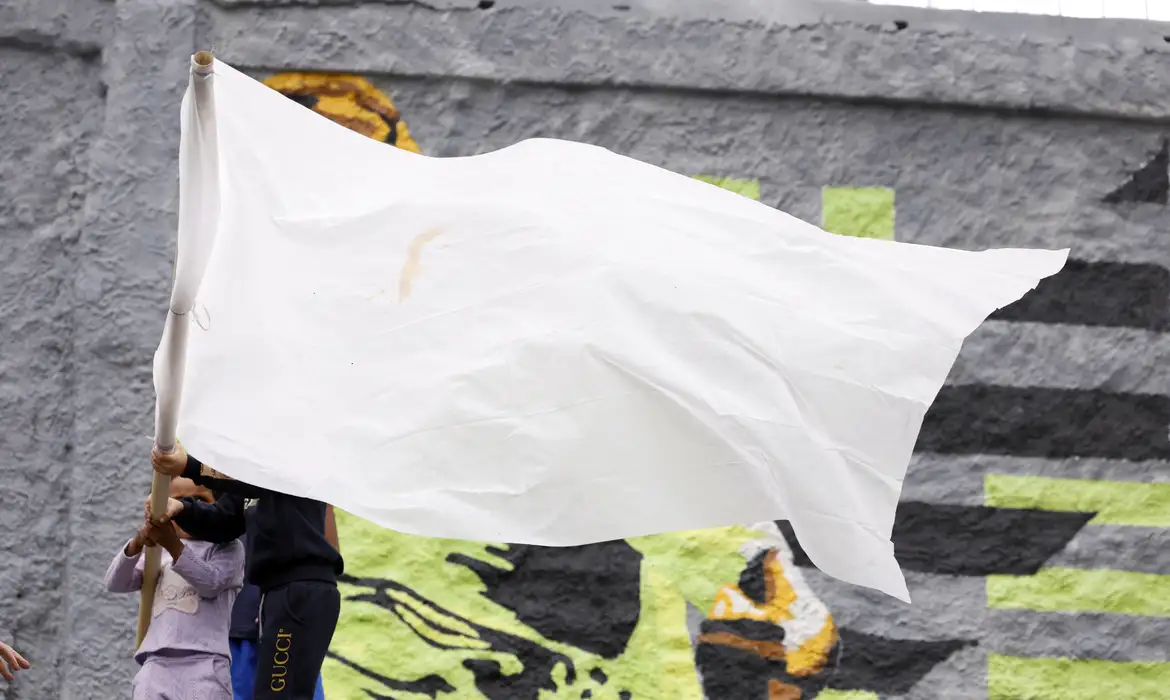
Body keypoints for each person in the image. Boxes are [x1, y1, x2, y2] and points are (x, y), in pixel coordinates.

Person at [149, 444, 343, 700]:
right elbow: (225, 522)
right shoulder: (253, 478)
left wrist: (190, 466)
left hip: (300, 590)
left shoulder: (286, 456)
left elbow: (252, 479)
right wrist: (182, 510)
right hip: (278, 593)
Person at [106, 476, 245, 699]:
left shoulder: (228, 548)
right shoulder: (155, 552)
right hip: (155, 661)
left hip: (205, 662)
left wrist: (173, 544)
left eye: (200, 499)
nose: (189, 508)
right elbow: (115, 582)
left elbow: (210, 583)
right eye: (178, 500)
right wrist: (138, 542)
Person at [229, 504, 340, 700]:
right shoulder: (216, 481)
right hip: (231, 628)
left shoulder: (308, 483)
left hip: (289, 618)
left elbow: (329, 551)